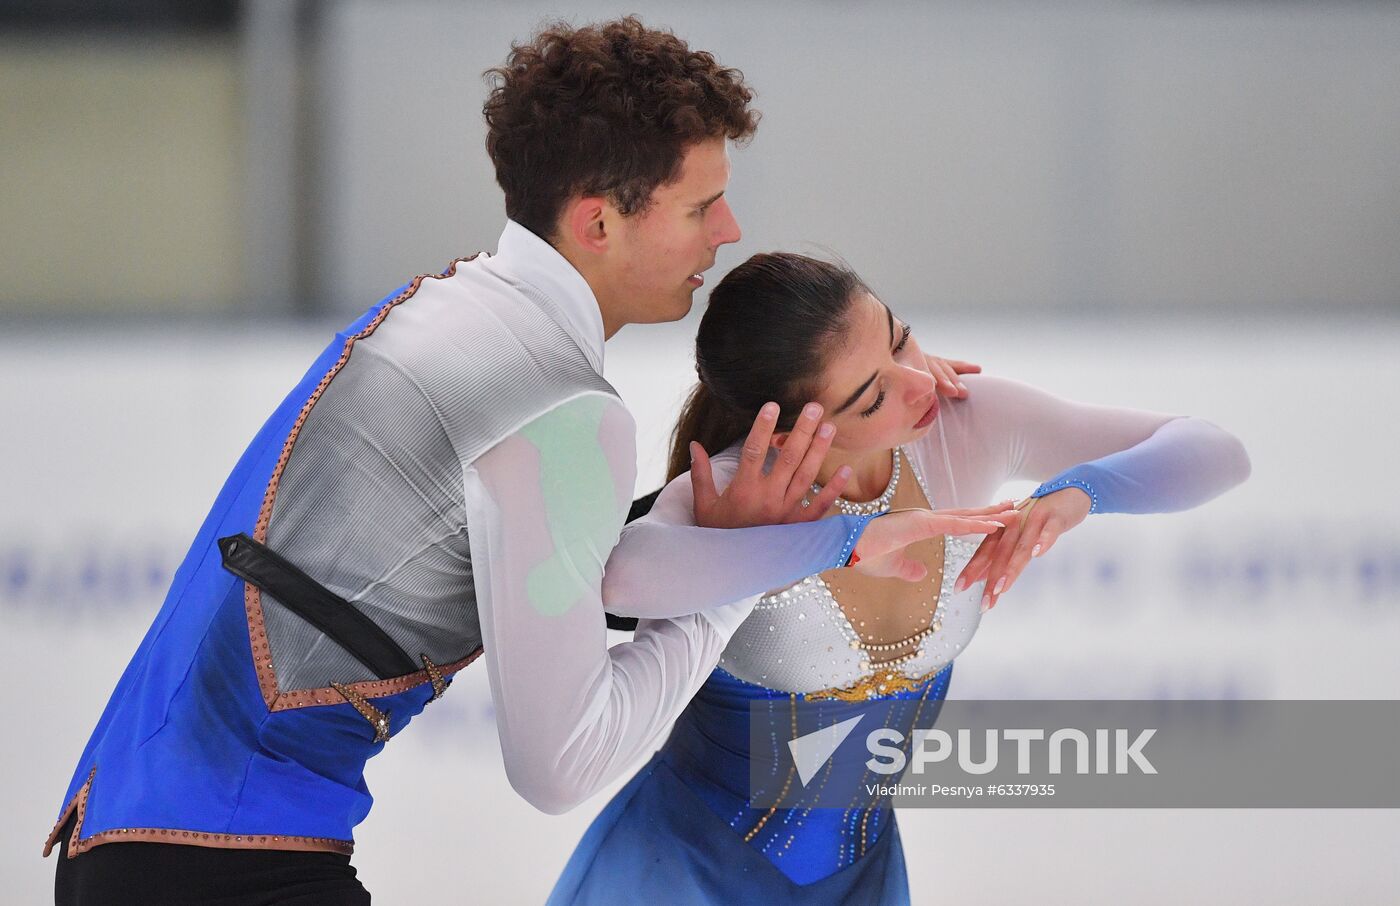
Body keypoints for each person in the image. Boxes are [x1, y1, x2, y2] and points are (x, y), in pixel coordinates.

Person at [42, 20, 997, 905]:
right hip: (223, 867)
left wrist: (717, 523)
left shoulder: (448, 308)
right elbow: (561, 766)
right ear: (598, 224)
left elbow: (553, 564)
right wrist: (740, 574)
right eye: (701, 204)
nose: (729, 231)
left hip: (138, 842)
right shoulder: (561, 405)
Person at [549, 253, 1252, 905]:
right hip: (678, 873)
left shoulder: (961, 425)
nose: (921, 383)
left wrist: (1081, 492)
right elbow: (620, 581)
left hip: (864, 876)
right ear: (794, 427)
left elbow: (1217, 451)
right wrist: (840, 540)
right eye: (871, 395)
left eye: (900, 339)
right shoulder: (731, 494)